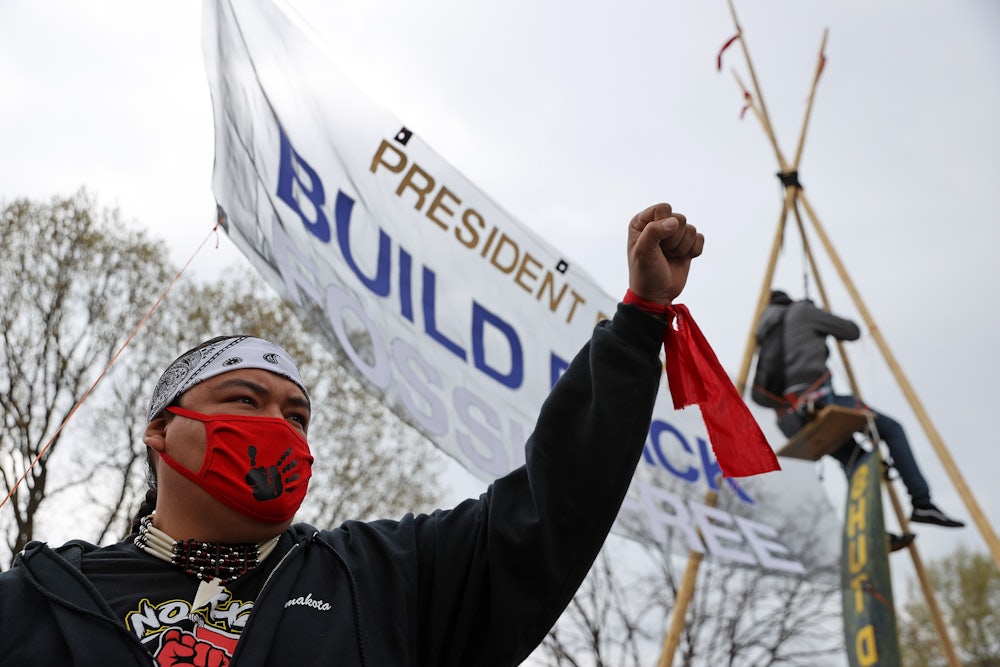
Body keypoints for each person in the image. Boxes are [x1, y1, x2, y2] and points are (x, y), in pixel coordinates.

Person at [0, 202, 704, 666]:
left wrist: (639, 322)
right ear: (161, 430)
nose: (278, 426)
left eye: (296, 415)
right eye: (245, 398)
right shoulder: (35, 598)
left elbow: (553, 507)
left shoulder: (385, 578)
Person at [756, 289, 965, 542]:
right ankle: (922, 502)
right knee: (891, 429)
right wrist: (817, 312)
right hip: (820, 401)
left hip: (791, 421)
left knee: (857, 460)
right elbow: (851, 331)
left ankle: (870, 531)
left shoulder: (764, 335)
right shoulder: (800, 312)